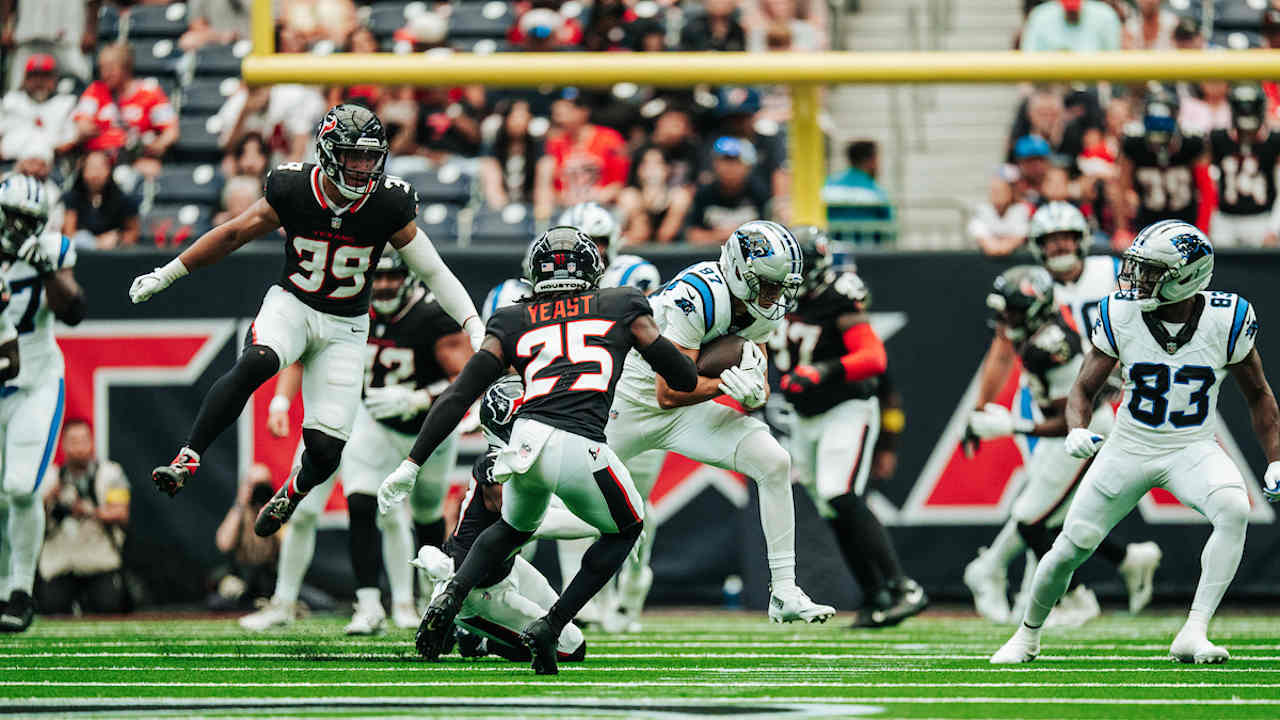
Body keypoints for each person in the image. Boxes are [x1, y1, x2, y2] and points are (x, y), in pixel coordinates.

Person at [129, 105, 486, 543]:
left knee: (326, 450)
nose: (363, 168)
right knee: (257, 361)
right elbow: (234, 233)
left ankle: (294, 491)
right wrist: (169, 272)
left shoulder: (388, 202)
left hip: (346, 325)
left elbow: (432, 270)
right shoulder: (294, 188)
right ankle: (188, 456)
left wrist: (471, 321)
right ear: (328, 153)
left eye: (370, 157)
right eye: (353, 157)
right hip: (294, 304)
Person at [386, 226, 700, 675]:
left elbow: (458, 395)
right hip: (579, 442)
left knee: (513, 527)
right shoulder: (623, 304)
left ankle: (453, 593)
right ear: (593, 270)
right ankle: (551, 626)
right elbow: (683, 378)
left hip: (525, 442)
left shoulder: (512, 319)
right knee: (628, 528)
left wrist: (412, 462)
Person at [992, 220, 1280, 664]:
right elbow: (1083, 389)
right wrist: (1076, 427)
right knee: (1068, 547)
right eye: (1138, 268)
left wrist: (1275, 458)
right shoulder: (1120, 313)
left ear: (1186, 277)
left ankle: (1194, 631)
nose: (1137, 279)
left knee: (1233, 508)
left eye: (1151, 271)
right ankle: (1026, 635)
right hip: (1128, 446)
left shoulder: (1228, 319)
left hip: (1191, 447)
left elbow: (1259, 394)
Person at [606, 220, 836, 625]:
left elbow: (756, 371)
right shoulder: (697, 295)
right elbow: (667, 392)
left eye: (783, 286)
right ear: (740, 272)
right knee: (560, 511)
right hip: (628, 403)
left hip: (682, 413)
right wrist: (725, 387)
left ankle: (785, 590)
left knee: (773, 461)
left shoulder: (762, 306)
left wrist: (753, 392)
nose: (777, 295)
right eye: (769, 285)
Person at [966, 264, 1162, 627]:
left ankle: (1062, 597)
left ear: (1033, 309)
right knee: (1050, 519)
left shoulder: (1052, 347)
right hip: (1067, 431)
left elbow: (1073, 419)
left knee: (1032, 519)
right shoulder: (1035, 333)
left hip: (1083, 432)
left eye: (1011, 312)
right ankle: (1125, 561)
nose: (1005, 320)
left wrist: (1014, 426)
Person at [961, 201, 1122, 623]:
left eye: (1066, 238)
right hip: (1052, 403)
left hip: (1100, 400)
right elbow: (1001, 351)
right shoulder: (1030, 289)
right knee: (1044, 505)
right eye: (1051, 241)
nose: (1060, 247)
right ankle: (1035, 596)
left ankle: (1013, 582)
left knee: (1051, 509)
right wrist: (980, 409)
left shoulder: (1110, 272)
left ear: (1082, 239)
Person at [771, 226, 928, 628]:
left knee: (839, 493)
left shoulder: (836, 296)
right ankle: (875, 595)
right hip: (803, 417)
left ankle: (903, 587)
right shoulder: (773, 300)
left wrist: (822, 371)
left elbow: (873, 357)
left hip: (845, 408)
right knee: (831, 507)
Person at [413, 375, 604, 663]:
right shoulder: (496, 468)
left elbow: (557, 501)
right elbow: (537, 523)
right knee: (571, 647)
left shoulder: (524, 459)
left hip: (508, 567)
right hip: (477, 588)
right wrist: (607, 525)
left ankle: (468, 630)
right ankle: (474, 638)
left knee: (561, 620)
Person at [0, 174, 85, 632]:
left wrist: (46, 268)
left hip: (35, 381)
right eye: (12, 217)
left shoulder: (51, 248)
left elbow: (74, 311)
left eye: (27, 219)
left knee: (20, 487)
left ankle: (20, 591)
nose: (18, 227)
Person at [37, 419, 129, 615]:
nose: (79, 448)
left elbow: (121, 514)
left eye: (83, 441)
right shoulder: (48, 477)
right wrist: (50, 497)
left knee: (109, 609)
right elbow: (31, 521)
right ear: (63, 445)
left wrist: (88, 510)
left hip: (100, 562)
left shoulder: (110, 473)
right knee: (53, 611)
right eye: (73, 441)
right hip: (59, 564)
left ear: (91, 442)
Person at [1113, 88, 1207, 246]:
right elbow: (1121, 188)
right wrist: (1122, 229)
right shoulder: (1133, 143)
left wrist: (1203, 228)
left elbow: (1206, 188)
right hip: (1147, 227)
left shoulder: (1192, 143)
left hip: (1186, 224)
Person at [72, 44, 179, 177]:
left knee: (151, 170)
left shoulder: (149, 92)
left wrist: (156, 145)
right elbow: (82, 124)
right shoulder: (95, 90)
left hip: (134, 159)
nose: (105, 73)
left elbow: (171, 131)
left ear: (126, 67)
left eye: (110, 68)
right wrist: (95, 130)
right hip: (100, 159)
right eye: (102, 68)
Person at [1209, 84, 1280, 248]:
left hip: (1262, 219)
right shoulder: (1218, 138)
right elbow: (1210, 183)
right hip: (1225, 220)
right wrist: (1211, 221)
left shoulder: (1274, 141)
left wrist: (1274, 227)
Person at [545, 89, 630, 208]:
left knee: (629, 198)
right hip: (566, 207)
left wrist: (597, 198)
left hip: (602, 205)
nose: (560, 119)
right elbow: (551, 187)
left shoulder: (609, 139)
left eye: (565, 113)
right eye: (556, 114)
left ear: (583, 112)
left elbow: (618, 183)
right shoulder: (555, 143)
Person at [212, 463, 281, 610]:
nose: (258, 491)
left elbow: (288, 547)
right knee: (218, 602)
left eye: (262, 485)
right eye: (254, 485)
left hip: (270, 578)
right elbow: (224, 544)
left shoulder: (278, 512)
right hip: (242, 578)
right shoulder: (240, 513)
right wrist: (241, 503)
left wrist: (274, 508)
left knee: (318, 602)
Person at [685, 137, 771, 245]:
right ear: (714, 164)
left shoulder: (759, 193)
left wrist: (730, 235)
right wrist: (725, 235)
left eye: (736, 161)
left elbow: (768, 234)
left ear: (748, 166)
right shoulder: (703, 194)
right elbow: (692, 234)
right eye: (725, 160)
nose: (730, 167)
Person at [2, 0, 96, 91]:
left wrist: (90, 30)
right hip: (27, 36)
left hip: (68, 37)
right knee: (17, 86)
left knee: (81, 80)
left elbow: (93, 2)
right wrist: (7, 25)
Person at [0, 53, 77, 160]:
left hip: (53, 164)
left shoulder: (66, 103)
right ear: (25, 79)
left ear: (55, 79)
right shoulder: (10, 101)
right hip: (10, 164)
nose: (39, 81)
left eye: (45, 76)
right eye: (34, 76)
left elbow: (71, 140)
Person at [61, 151, 140, 250]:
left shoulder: (124, 200)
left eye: (100, 168)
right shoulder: (71, 198)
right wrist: (95, 243)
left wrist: (118, 238)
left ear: (109, 170)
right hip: (81, 252)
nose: (96, 174)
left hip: (113, 253)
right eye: (91, 168)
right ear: (83, 171)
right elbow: (69, 234)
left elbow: (133, 233)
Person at [823, 140, 893, 242]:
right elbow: (889, 229)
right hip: (867, 249)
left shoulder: (828, 185)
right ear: (872, 160)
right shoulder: (876, 193)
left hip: (832, 247)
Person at [1021, 0, 1122, 53]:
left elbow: (1114, 57)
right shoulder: (1040, 16)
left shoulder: (1105, 15)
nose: (1072, 13)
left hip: (1093, 83)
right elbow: (1028, 58)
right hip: (1052, 83)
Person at [970, 174, 1031, 256]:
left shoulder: (1021, 210)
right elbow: (983, 239)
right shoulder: (981, 210)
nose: (997, 195)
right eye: (994, 191)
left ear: (1010, 192)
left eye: (1001, 191)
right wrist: (997, 247)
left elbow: (1019, 237)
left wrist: (1003, 247)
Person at [180, 0, 253, 52]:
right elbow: (196, 24)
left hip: (250, 42)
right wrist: (220, 35)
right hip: (220, 43)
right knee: (188, 41)